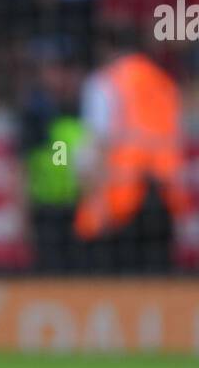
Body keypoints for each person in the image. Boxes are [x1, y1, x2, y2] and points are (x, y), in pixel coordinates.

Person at [73, 37, 189, 273]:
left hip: (120, 204)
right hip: (163, 200)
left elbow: (96, 145)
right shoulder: (164, 83)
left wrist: (94, 203)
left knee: (119, 292)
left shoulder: (105, 81)